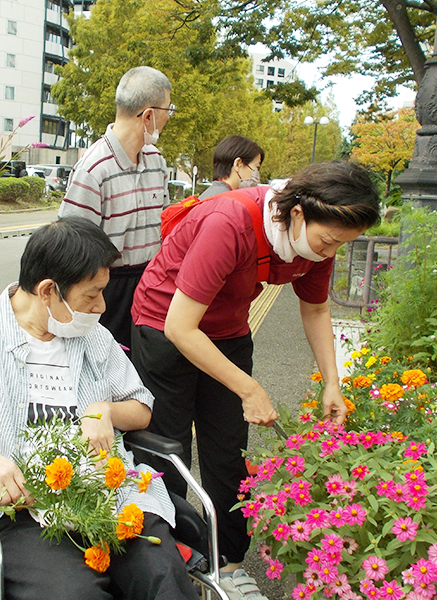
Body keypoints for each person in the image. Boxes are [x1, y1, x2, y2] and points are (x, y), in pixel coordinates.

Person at [0, 217, 197, 600]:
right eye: (92, 294)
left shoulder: (94, 339)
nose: (102, 305)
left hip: (107, 496)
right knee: (73, 594)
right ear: (48, 290)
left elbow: (142, 407)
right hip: (20, 511)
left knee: (163, 579)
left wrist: (105, 411)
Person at [130, 161, 381, 600]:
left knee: (228, 450)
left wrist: (332, 382)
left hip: (226, 330)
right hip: (166, 324)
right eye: (327, 241)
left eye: (340, 245)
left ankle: (227, 563)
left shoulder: (314, 244)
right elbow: (180, 327)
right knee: (168, 449)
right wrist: (249, 387)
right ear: (298, 213)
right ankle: (165, 562)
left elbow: (317, 309)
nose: (328, 253)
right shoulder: (230, 222)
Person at [58, 66, 173, 351]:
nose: (169, 117)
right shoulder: (94, 169)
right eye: (168, 109)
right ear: (149, 116)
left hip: (151, 281)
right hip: (108, 288)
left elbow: (166, 223)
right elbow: (70, 247)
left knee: (146, 373)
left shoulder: (156, 160)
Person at [198, 135, 264, 200]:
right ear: (238, 164)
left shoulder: (207, 196)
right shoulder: (228, 201)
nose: (257, 178)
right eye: (256, 167)